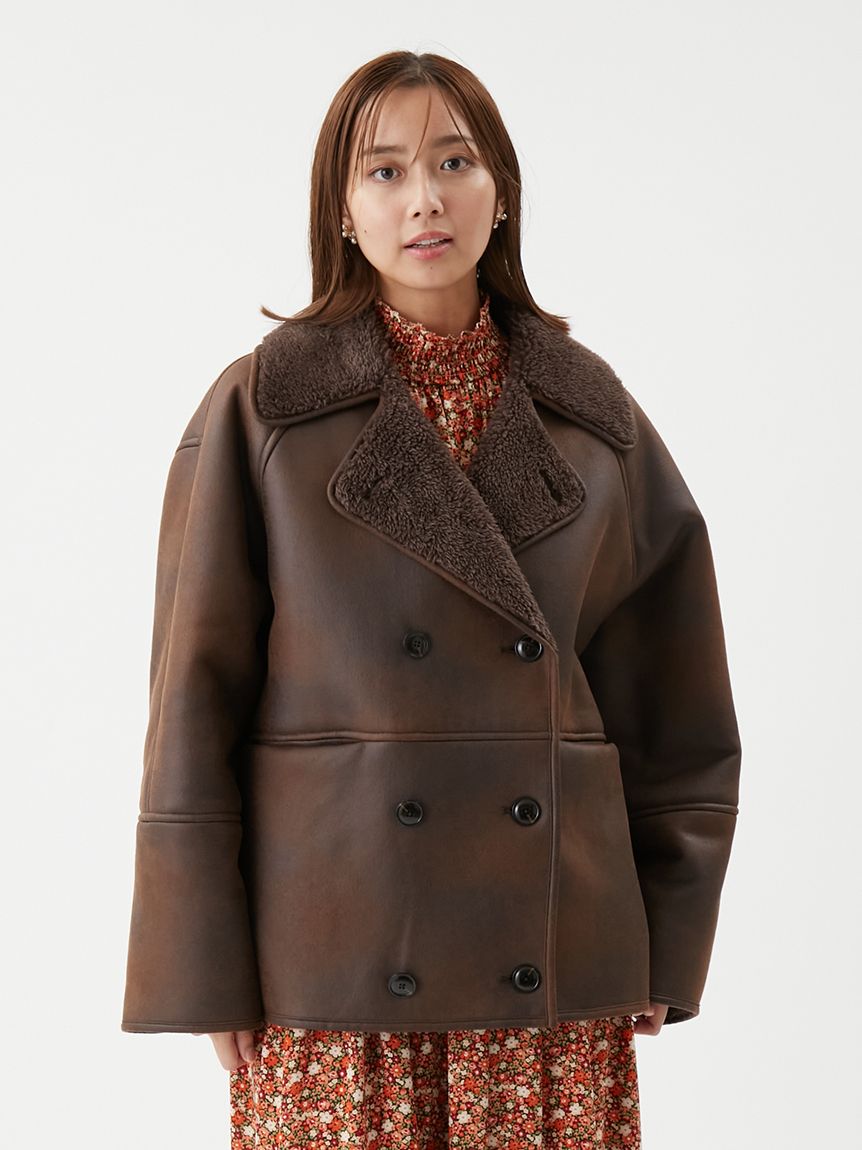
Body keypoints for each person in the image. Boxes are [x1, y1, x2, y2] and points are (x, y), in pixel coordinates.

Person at [121, 49, 742, 1150]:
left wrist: (663, 938)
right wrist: (203, 968)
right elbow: (191, 701)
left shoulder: (592, 415)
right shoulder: (263, 410)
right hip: (335, 968)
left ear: (500, 192)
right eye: (385, 170)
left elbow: (676, 708)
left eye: (455, 162)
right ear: (341, 207)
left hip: (548, 968)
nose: (424, 198)